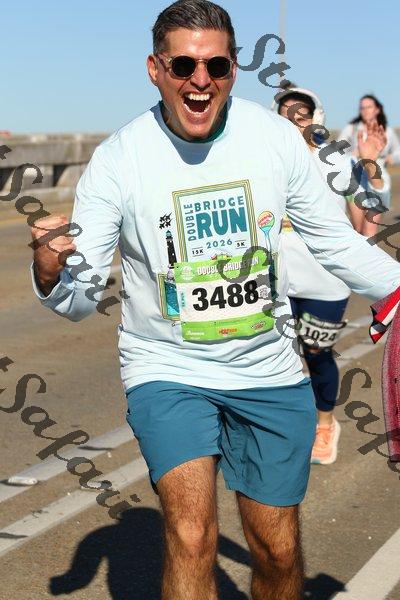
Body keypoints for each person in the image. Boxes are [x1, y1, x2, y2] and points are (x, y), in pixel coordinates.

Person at [30, 2, 400, 598]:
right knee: (191, 534)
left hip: (268, 368)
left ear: (232, 69)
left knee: (276, 550)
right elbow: (78, 298)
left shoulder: (273, 139)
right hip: (167, 368)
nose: (199, 80)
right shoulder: (120, 158)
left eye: (217, 65)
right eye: (183, 65)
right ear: (155, 69)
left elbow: (336, 242)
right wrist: (50, 270)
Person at [270, 86, 390, 465]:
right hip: (276, 280)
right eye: (286, 116)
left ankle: (324, 423)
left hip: (325, 281)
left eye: (302, 115)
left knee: (316, 352)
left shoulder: (336, 162)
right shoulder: (267, 162)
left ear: (316, 119)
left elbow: (367, 220)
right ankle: (288, 427)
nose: (295, 123)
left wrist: (369, 163)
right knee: (276, 356)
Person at [339, 94, 399, 236]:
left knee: (370, 230)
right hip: (355, 180)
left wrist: (391, 158)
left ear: (377, 109)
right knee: (358, 230)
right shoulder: (352, 128)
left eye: (369, 107)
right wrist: (353, 154)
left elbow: (398, 151)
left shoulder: (386, 130)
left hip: (377, 179)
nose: (365, 110)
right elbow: (337, 149)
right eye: (362, 107)